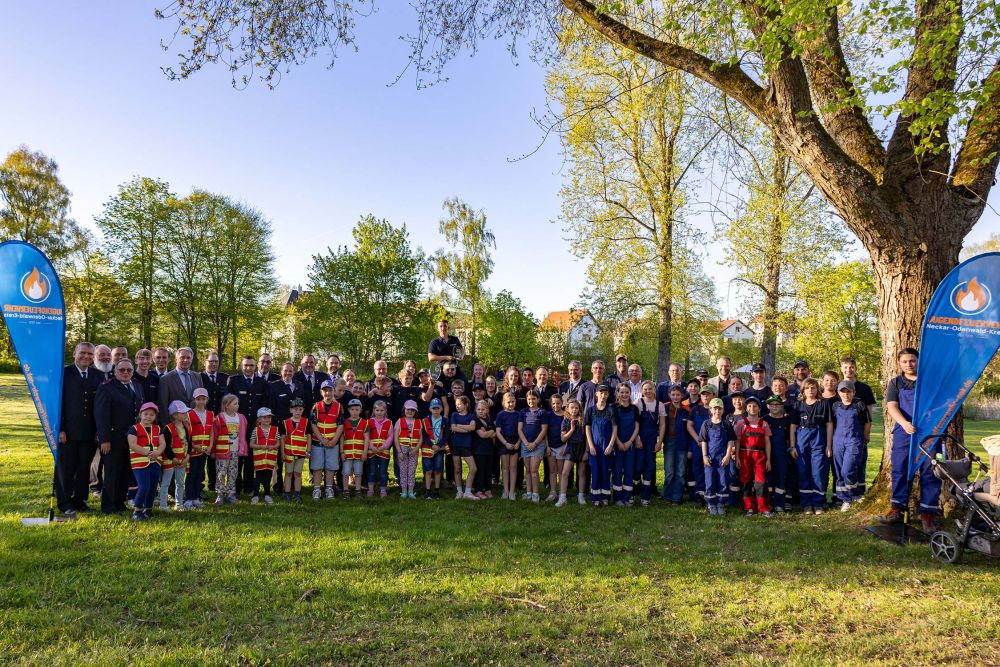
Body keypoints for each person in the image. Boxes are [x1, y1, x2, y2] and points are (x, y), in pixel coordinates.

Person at [57, 341, 102, 515]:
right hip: (67, 431)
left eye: (90, 354)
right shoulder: (64, 373)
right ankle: (65, 502)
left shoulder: (98, 376)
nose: (86, 356)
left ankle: (80, 500)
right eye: (82, 353)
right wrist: (60, 428)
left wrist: (100, 430)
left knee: (84, 468)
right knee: (66, 468)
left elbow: (100, 406)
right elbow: (57, 403)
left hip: (89, 431)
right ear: (74, 354)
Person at [95, 359, 144, 514]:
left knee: (125, 473)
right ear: (115, 371)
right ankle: (108, 506)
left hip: (132, 438)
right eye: (122, 370)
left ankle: (119, 503)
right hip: (113, 438)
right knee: (112, 473)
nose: (125, 373)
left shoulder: (137, 385)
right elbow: (101, 415)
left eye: (129, 370)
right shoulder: (107, 387)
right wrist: (105, 439)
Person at [226, 356, 267, 494]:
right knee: (236, 457)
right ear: (241, 366)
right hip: (236, 425)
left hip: (254, 425)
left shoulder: (262, 382)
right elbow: (227, 402)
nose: (248, 368)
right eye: (246, 365)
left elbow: (264, 403)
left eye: (251, 365)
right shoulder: (233, 381)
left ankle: (248, 487)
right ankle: (235, 487)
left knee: (250, 457)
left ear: (255, 367)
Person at [830, 380, 870, 512]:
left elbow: (867, 423)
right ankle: (845, 500)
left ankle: (855, 493)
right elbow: (832, 424)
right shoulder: (835, 406)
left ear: (854, 392)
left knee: (847, 470)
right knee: (839, 471)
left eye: (849, 391)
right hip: (838, 441)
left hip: (854, 440)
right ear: (838, 392)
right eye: (843, 391)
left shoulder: (859, 405)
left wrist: (864, 438)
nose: (846, 394)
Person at [795, 378, 829, 514]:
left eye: (813, 388)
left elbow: (829, 424)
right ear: (803, 390)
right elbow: (793, 426)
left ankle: (818, 503)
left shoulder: (823, 404)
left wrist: (829, 445)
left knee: (818, 470)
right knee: (803, 470)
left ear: (817, 389)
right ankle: (806, 503)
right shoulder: (798, 405)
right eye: (808, 388)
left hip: (819, 436)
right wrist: (792, 445)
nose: (810, 390)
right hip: (802, 436)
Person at [126, 402, 165, 521]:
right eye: (146, 414)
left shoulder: (158, 428)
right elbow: (132, 444)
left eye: (152, 415)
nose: (148, 417)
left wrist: (158, 452)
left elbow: (163, 443)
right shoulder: (134, 428)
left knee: (153, 486)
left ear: (155, 417)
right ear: (140, 415)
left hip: (155, 462)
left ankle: (148, 509)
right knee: (144, 486)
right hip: (140, 463)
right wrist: (147, 452)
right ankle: (137, 511)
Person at [735, 397, 773, 517]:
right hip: (744, 454)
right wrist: (737, 457)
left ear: (759, 409)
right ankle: (749, 507)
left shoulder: (764, 423)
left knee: (760, 482)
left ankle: (763, 508)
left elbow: (767, 442)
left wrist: (769, 460)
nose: (752, 408)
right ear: (746, 408)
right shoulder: (741, 423)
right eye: (750, 406)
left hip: (760, 456)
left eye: (755, 406)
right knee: (746, 481)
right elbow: (737, 441)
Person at [699, 397, 736, 515]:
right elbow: (703, 441)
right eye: (715, 408)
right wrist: (704, 456)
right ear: (710, 409)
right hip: (710, 458)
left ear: (723, 410)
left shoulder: (726, 424)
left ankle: (721, 503)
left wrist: (727, 456)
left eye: (720, 408)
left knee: (723, 481)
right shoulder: (706, 424)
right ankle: (711, 503)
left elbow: (731, 441)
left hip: (722, 459)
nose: (717, 411)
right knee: (710, 482)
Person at [209, 394, 247, 506]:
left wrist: (242, 448)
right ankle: (220, 495)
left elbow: (242, 435)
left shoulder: (240, 417)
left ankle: (231, 494)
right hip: (222, 451)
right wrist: (213, 451)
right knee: (221, 473)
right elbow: (215, 435)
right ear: (227, 405)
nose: (238, 405)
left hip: (235, 450)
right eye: (235, 403)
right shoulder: (220, 417)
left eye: (238, 403)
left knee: (233, 472)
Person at [311, 380, 344, 499]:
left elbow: (341, 424)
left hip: (332, 443)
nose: (328, 393)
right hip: (318, 442)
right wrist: (321, 439)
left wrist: (334, 440)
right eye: (325, 391)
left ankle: (329, 488)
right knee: (317, 466)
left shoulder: (339, 406)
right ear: (321, 392)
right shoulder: (316, 406)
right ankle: (316, 489)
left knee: (330, 466)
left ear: (334, 391)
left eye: (330, 391)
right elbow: (313, 424)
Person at [634, 381, 665, 507]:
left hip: (652, 440)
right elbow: (633, 423)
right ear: (642, 391)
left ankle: (645, 497)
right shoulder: (638, 403)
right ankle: (634, 492)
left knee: (650, 467)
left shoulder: (660, 405)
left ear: (654, 390)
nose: (648, 391)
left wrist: (660, 442)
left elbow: (663, 425)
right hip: (640, 440)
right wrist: (636, 438)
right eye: (645, 389)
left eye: (650, 389)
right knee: (638, 466)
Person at [763, 395, 796, 513]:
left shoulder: (786, 421)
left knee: (781, 478)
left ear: (782, 406)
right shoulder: (764, 420)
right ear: (767, 406)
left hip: (782, 454)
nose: (774, 407)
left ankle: (779, 503)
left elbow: (790, 437)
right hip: (767, 455)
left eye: (777, 404)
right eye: (771, 404)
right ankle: (769, 503)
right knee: (768, 479)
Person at [584, 384, 616, 507]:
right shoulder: (590, 410)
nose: (603, 395)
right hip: (595, 447)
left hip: (606, 446)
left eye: (605, 393)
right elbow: (587, 428)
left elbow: (615, 428)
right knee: (595, 471)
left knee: (605, 471)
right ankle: (595, 497)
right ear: (596, 394)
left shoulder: (610, 410)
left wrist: (611, 445)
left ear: (608, 395)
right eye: (601, 393)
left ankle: (605, 497)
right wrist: (591, 446)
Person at [685, 385, 716, 504]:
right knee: (697, 469)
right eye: (703, 394)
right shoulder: (696, 410)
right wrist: (697, 438)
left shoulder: (716, 410)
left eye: (708, 394)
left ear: (714, 395)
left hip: (712, 446)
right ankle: (699, 494)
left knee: (710, 469)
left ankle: (710, 494)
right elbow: (689, 425)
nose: (705, 396)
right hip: (697, 445)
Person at [158, 401, 190, 512]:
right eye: (183, 412)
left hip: (182, 460)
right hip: (170, 460)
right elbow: (166, 446)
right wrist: (173, 458)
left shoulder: (186, 427)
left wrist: (187, 456)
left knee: (180, 483)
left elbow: (188, 442)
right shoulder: (167, 428)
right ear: (175, 415)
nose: (186, 413)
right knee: (166, 483)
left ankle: (179, 504)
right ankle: (163, 505)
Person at [157, 347, 204, 423]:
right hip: (176, 425)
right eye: (182, 357)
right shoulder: (165, 379)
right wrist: (165, 428)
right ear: (176, 359)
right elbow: (163, 406)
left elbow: (202, 400)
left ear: (191, 360)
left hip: (196, 422)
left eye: (188, 358)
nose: (185, 360)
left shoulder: (197, 376)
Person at [185, 388, 213, 509]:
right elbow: (187, 433)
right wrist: (194, 446)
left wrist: (210, 446)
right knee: (191, 474)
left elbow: (211, 431)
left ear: (207, 399)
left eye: (203, 399)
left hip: (205, 450)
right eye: (198, 399)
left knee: (199, 474)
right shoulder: (189, 414)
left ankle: (196, 498)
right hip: (193, 450)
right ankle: (188, 499)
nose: (201, 401)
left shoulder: (211, 414)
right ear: (194, 400)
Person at [611, 384, 639, 506]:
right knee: (617, 471)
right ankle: (617, 497)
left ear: (630, 393)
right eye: (622, 392)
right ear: (618, 394)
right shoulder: (613, 408)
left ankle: (627, 497)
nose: (624, 395)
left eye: (626, 392)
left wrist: (630, 442)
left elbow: (637, 426)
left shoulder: (634, 409)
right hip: (617, 444)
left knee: (629, 470)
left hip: (630, 444)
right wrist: (618, 442)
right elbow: (612, 427)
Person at [518, 391, 548, 503]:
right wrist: (526, 443)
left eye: (533, 399)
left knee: (534, 470)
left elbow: (544, 430)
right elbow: (520, 429)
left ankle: (535, 493)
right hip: (525, 445)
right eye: (529, 399)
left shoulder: (542, 412)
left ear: (538, 399)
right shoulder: (523, 412)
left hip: (538, 444)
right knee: (528, 470)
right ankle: (529, 492)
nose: (531, 401)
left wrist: (535, 443)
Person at [662, 385, 689, 505]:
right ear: (669, 395)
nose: (675, 397)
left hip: (682, 442)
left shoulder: (687, 410)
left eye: (678, 394)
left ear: (682, 395)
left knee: (680, 470)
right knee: (669, 470)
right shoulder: (665, 407)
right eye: (673, 394)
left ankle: (677, 497)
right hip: (669, 441)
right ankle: (667, 495)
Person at [557, 399, 586, 507]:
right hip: (571, 447)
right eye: (572, 407)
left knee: (581, 472)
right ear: (568, 409)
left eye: (576, 408)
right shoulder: (565, 421)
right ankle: (562, 496)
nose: (574, 410)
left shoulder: (582, 421)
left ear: (579, 409)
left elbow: (587, 437)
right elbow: (563, 439)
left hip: (581, 447)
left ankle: (581, 495)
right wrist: (572, 429)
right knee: (565, 472)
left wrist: (587, 451)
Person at [280, 398, 310, 502]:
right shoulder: (285, 422)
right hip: (288, 453)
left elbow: (309, 437)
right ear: (291, 410)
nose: (298, 411)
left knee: (298, 473)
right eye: (295, 409)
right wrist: (282, 452)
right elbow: (282, 438)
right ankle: (287, 493)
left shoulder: (306, 422)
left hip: (301, 453)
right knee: (288, 473)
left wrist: (308, 451)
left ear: (303, 410)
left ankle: (297, 493)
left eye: (300, 409)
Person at [450, 395, 479, 500]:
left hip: (466, 445)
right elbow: (453, 427)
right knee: (457, 469)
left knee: (473, 468)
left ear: (466, 405)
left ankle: (467, 491)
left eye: (459, 404)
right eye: (456, 404)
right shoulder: (454, 415)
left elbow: (472, 427)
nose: (457, 406)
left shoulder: (471, 416)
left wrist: (459, 426)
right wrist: (466, 429)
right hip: (455, 445)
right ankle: (459, 491)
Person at [248, 407, 279, 505]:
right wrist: (262, 446)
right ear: (259, 419)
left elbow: (278, 442)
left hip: (270, 458)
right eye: (265, 417)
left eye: (269, 417)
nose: (267, 419)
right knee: (258, 477)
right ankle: (255, 495)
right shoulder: (256, 430)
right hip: (259, 459)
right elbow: (251, 444)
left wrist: (274, 446)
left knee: (268, 477)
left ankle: (267, 495)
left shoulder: (275, 429)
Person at [339, 399, 368, 498]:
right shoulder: (345, 422)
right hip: (347, 453)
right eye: (352, 409)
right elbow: (342, 438)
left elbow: (367, 439)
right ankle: (345, 490)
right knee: (346, 472)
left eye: (357, 409)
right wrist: (342, 452)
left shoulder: (364, 423)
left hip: (359, 453)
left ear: (360, 410)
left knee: (358, 472)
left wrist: (365, 453)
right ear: (348, 410)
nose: (354, 412)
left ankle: (358, 490)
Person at [395, 400, 423, 499]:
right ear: (404, 410)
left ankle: (410, 491)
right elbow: (396, 438)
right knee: (403, 470)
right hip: (402, 448)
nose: (410, 412)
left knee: (411, 470)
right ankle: (404, 491)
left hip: (413, 450)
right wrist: (399, 452)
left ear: (415, 412)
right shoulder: (400, 421)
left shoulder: (419, 422)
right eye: (408, 409)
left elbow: (421, 438)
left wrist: (416, 449)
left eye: (412, 410)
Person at [421, 398, 448, 499]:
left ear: (441, 409)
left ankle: (437, 490)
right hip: (428, 449)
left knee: (437, 470)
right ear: (430, 409)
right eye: (433, 408)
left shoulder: (445, 421)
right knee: (428, 470)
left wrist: (439, 445)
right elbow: (424, 435)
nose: (435, 410)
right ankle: (428, 491)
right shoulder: (425, 420)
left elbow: (446, 436)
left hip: (440, 450)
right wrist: (432, 445)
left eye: (438, 408)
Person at [495, 393, 520, 501]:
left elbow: (521, 430)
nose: (511, 404)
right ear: (503, 403)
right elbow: (497, 431)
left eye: (513, 401)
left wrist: (518, 442)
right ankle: (505, 490)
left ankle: (512, 491)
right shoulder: (500, 414)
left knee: (513, 468)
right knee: (505, 468)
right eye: (508, 402)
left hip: (515, 441)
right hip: (504, 441)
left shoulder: (519, 414)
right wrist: (505, 443)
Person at [367, 400, 394, 498]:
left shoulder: (389, 422)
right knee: (372, 471)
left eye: (382, 410)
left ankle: (383, 489)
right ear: (374, 411)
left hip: (384, 451)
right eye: (377, 410)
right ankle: (370, 489)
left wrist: (384, 446)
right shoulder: (369, 422)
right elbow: (367, 436)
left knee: (383, 471)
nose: (379, 412)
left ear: (385, 411)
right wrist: (372, 447)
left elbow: (390, 436)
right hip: (371, 451)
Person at [543, 394, 566, 502]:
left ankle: (562, 493)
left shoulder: (566, 415)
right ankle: (553, 492)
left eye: (558, 403)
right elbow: (545, 433)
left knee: (561, 471)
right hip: (551, 447)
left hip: (562, 446)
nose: (556, 405)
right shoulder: (548, 415)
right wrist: (547, 446)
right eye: (553, 403)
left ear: (562, 403)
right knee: (552, 471)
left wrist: (565, 447)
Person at [472, 400, 496, 498]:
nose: (480, 411)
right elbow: (482, 435)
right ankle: (478, 489)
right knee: (480, 470)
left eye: (483, 409)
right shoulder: (475, 420)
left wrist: (489, 433)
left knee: (488, 470)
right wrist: (489, 433)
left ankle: (488, 489)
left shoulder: (490, 421)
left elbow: (495, 434)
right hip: (478, 450)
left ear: (487, 410)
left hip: (489, 450)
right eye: (478, 409)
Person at [200, 351, 228, 415]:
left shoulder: (226, 378)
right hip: (204, 416)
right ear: (204, 363)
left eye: (216, 361)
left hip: (221, 416)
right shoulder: (198, 378)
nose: (214, 364)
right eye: (211, 361)